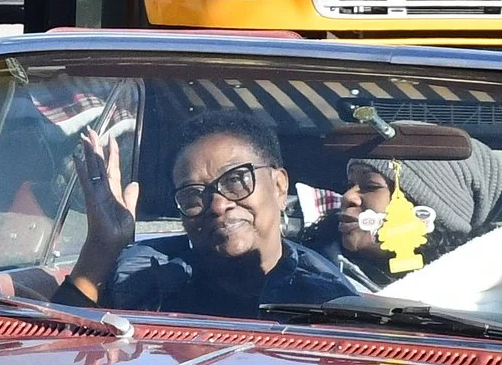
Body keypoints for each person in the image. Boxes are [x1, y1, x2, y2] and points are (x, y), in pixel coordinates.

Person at [62, 109, 354, 319]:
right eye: (193, 195)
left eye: (236, 180)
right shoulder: (147, 284)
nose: (217, 205)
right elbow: (64, 362)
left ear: (279, 186)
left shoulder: (325, 300)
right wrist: (100, 250)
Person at [320, 141, 502, 285]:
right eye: (348, 185)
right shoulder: (307, 270)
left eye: (370, 186)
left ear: (424, 209)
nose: (347, 197)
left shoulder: (480, 296)